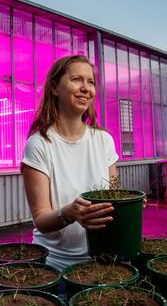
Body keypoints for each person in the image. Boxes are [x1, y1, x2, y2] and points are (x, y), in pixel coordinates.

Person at [21, 55, 119, 271]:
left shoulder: (104, 140)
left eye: (90, 82)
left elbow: (113, 198)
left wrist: (126, 206)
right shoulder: (39, 144)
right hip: (55, 266)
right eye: (76, 79)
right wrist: (70, 213)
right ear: (55, 88)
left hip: (101, 261)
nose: (86, 88)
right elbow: (41, 219)